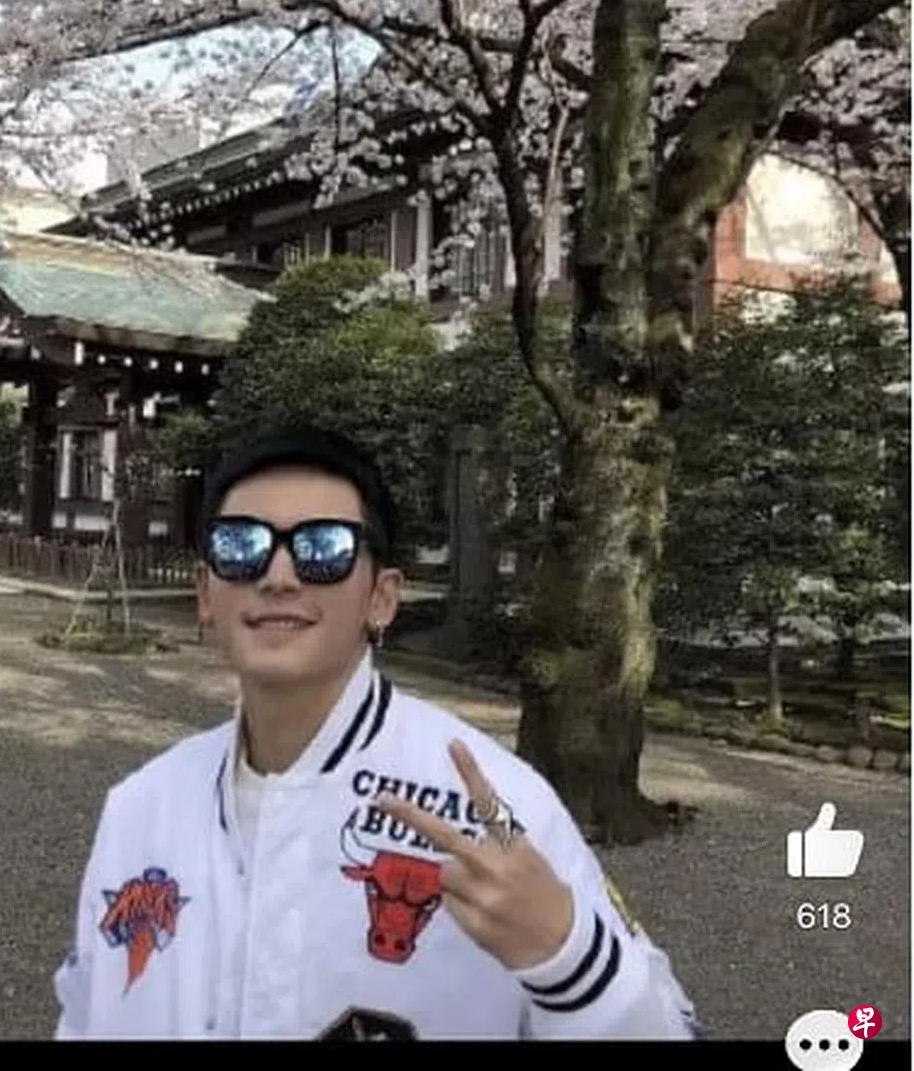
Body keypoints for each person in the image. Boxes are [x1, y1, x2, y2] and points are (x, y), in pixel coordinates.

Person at [53, 425, 704, 1040]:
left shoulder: (496, 808)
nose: (278, 576)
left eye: (324, 549)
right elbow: (82, 1017)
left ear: (382, 598)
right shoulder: (141, 807)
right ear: (205, 591)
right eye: (241, 545)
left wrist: (568, 956)